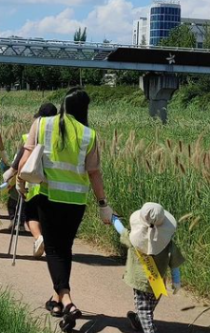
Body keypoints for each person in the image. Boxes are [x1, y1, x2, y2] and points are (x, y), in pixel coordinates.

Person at [17, 87, 113, 330]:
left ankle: (68, 302)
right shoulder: (88, 134)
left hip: (48, 197)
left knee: (55, 251)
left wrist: (20, 181)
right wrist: (103, 204)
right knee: (64, 249)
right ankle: (56, 301)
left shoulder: (41, 124)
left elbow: (25, 159)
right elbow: (94, 173)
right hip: (75, 203)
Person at [112, 203, 184, 333]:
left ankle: (148, 328)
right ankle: (138, 320)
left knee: (145, 310)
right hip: (158, 282)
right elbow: (174, 264)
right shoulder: (169, 244)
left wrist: (114, 219)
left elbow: (122, 231)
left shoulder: (134, 240)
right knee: (148, 307)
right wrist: (176, 281)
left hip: (141, 283)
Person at [4, 102, 58, 257]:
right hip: (53, 184)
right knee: (49, 215)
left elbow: (23, 156)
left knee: (31, 215)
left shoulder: (32, 133)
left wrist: (16, 176)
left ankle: (38, 237)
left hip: (33, 183)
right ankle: (50, 243)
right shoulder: (61, 135)